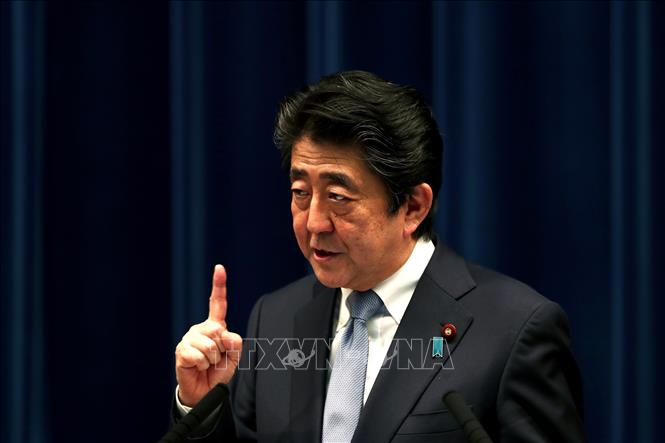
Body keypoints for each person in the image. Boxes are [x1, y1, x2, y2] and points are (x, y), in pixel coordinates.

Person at [171, 71, 585, 442]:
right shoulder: (275, 317)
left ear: (413, 207)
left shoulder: (514, 331)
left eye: (338, 197)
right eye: (301, 193)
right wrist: (200, 409)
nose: (314, 222)